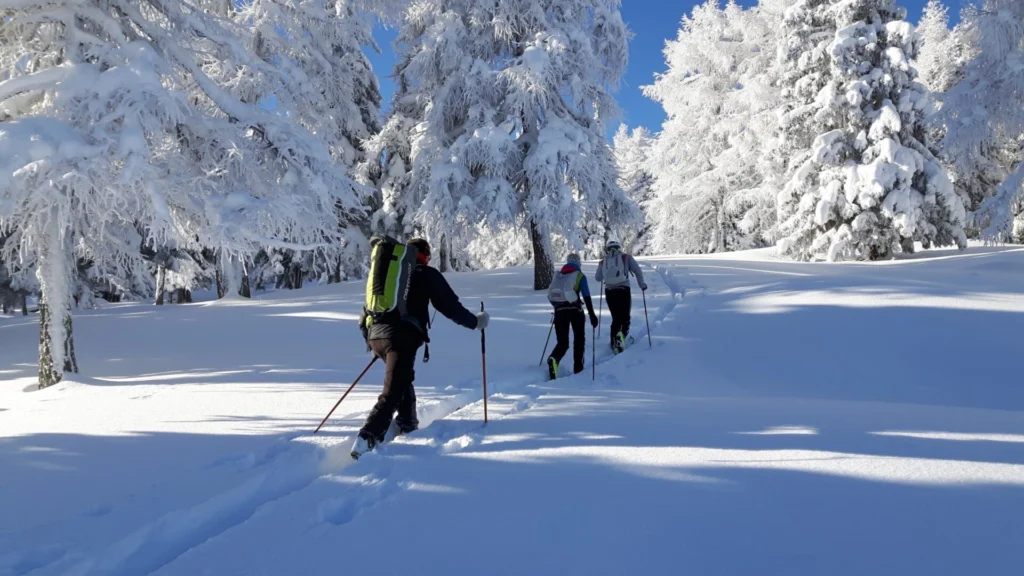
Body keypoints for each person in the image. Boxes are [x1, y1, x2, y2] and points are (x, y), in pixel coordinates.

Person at [352, 238, 488, 458]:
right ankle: (366, 437)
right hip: (401, 338)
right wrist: (476, 322)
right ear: (424, 253)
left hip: (376, 336)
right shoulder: (426, 274)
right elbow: (449, 306)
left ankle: (407, 423)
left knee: (403, 378)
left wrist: (373, 341)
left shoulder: (390, 277)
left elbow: (365, 311)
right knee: (393, 390)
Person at [546, 253, 599, 380]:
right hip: (575, 311)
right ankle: (578, 369)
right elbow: (586, 296)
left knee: (563, 343)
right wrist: (592, 315)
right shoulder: (579, 275)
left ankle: (554, 358)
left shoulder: (559, 275)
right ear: (578, 263)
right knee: (579, 340)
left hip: (559, 311)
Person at [595, 240, 646, 354]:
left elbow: (598, 278)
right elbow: (638, 271)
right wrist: (642, 285)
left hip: (609, 291)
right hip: (624, 289)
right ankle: (622, 337)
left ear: (607, 249)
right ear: (619, 248)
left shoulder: (603, 261)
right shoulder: (626, 257)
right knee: (625, 316)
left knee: (616, 317)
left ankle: (614, 342)